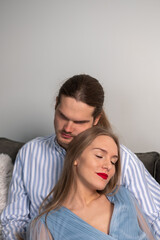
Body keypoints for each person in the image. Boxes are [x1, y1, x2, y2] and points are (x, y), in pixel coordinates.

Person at [1, 74, 160, 239]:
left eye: (79, 122)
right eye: (62, 116)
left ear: (95, 120)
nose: (68, 128)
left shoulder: (121, 159)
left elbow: (155, 216)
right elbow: (14, 220)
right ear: (56, 104)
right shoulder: (30, 153)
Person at [27, 127, 156, 240]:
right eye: (99, 156)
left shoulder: (123, 196)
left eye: (113, 161)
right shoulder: (46, 224)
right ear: (76, 158)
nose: (108, 166)